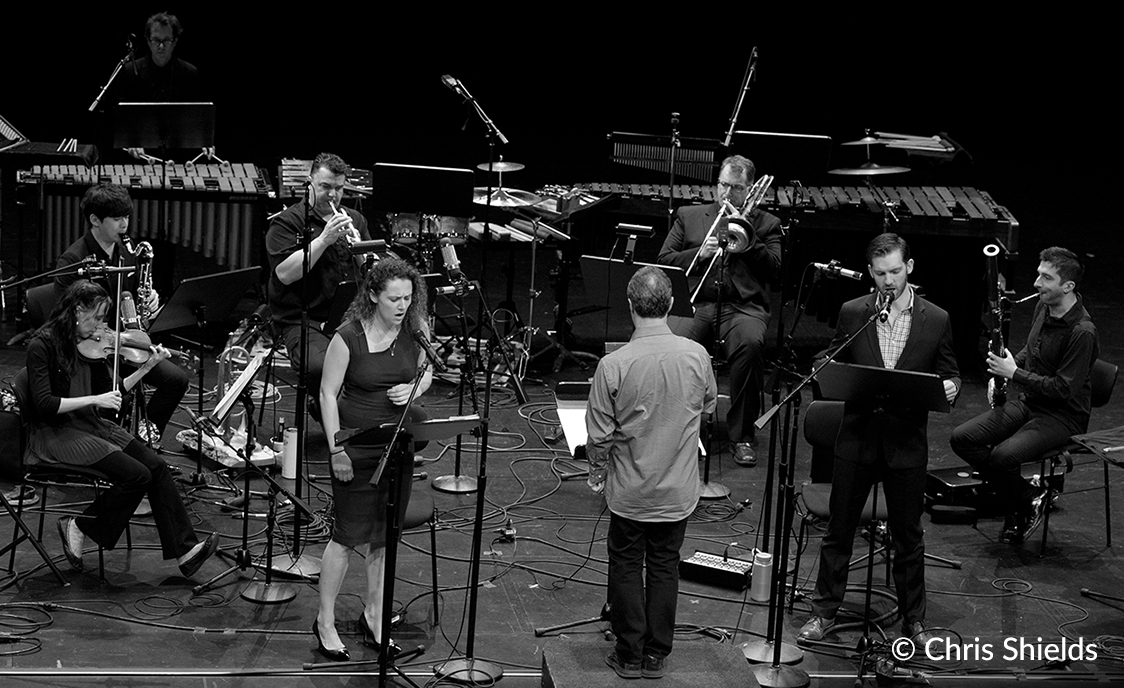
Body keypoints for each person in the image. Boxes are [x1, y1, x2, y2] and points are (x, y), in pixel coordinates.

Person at [798, 233, 959, 645]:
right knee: (839, 530)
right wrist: (826, 370)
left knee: (909, 536)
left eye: (895, 271)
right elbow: (830, 356)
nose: (889, 280)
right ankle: (823, 613)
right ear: (870, 272)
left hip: (905, 444)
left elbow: (950, 371)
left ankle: (914, 620)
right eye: (880, 273)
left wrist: (952, 386)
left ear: (909, 267)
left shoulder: (936, 318)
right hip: (857, 438)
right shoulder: (854, 312)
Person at [26, 280, 218, 577]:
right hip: (57, 432)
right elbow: (44, 404)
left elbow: (111, 393)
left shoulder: (90, 344)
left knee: (155, 465)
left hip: (91, 424)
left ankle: (185, 550)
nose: (103, 326)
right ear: (78, 311)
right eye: (98, 317)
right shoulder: (43, 345)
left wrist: (146, 368)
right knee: (136, 476)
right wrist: (95, 399)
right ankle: (78, 526)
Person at [585, 266, 717, 679]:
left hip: (630, 492)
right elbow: (709, 404)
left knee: (626, 565)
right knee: (664, 565)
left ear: (630, 306)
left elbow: (599, 435)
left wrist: (597, 472)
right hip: (677, 491)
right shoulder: (697, 354)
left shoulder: (613, 364)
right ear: (671, 305)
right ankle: (656, 655)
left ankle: (628, 654)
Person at [313, 258, 432, 662]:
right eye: (394, 298)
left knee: (383, 537)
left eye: (408, 297)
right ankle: (325, 621)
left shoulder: (416, 330)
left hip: (397, 444)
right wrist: (335, 449)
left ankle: (375, 615)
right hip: (355, 446)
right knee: (346, 537)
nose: (402, 305)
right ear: (373, 297)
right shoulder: (347, 337)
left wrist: (414, 392)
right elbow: (327, 395)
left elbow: (426, 371)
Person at [950, 247, 1097, 544]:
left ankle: (1016, 503)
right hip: (1031, 403)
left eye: (1046, 277)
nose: (1036, 283)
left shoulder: (1083, 332)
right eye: (1038, 274)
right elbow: (1031, 353)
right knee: (962, 438)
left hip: (1064, 416)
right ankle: (1026, 495)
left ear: (1068, 286)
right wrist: (1006, 369)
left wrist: (1013, 374)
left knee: (1003, 456)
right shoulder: (1043, 307)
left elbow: (1062, 388)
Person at [657, 154, 781, 467]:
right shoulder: (690, 215)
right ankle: (673, 430)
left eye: (736, 188)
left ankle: (741, 436)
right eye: (723, 185)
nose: (727, 194)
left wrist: (747, 234)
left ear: (750, 189)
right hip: (697, 303)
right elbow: (664, 260)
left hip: (742, 308)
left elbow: (776, 271)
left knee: (750, 344)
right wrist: (698, 254)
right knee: (671, 342)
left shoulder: (767, 224)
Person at [56, 183, 190, 443]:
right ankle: (116, 448)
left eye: (126, 217)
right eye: (117, 218)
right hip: (92, 350)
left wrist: (150, 299)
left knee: (177, 380)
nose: (124, 224)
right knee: (121, 396)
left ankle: (143, 441)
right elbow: (64, 320)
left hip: (124, 345)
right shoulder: (74, 261)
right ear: (95, 220)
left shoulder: (126, 254)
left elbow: (132, 293)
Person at [266, 152, 370, 419]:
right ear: (310, 183)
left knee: (375, 364)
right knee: (320, 367)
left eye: (339, 188)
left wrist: (358, 249)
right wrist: (325, 239)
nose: (333, 195)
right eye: (325, 187)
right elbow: (285, 274)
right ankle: (331, 412)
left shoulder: (355, 219)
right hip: (300, 319)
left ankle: (355, 416)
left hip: (345, 316)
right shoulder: (288, 222)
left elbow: (370, 272)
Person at [113, 12, 207, 160]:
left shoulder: (189, 74)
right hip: (139, 159)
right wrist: (130, 141)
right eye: (156, 40)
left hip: (179, 159)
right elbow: (119, 120)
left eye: (167, 40)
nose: (161, 46)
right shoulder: (130, 72)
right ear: (148, 42)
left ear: (175, 41)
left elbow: (198, 120)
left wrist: (205, 141)